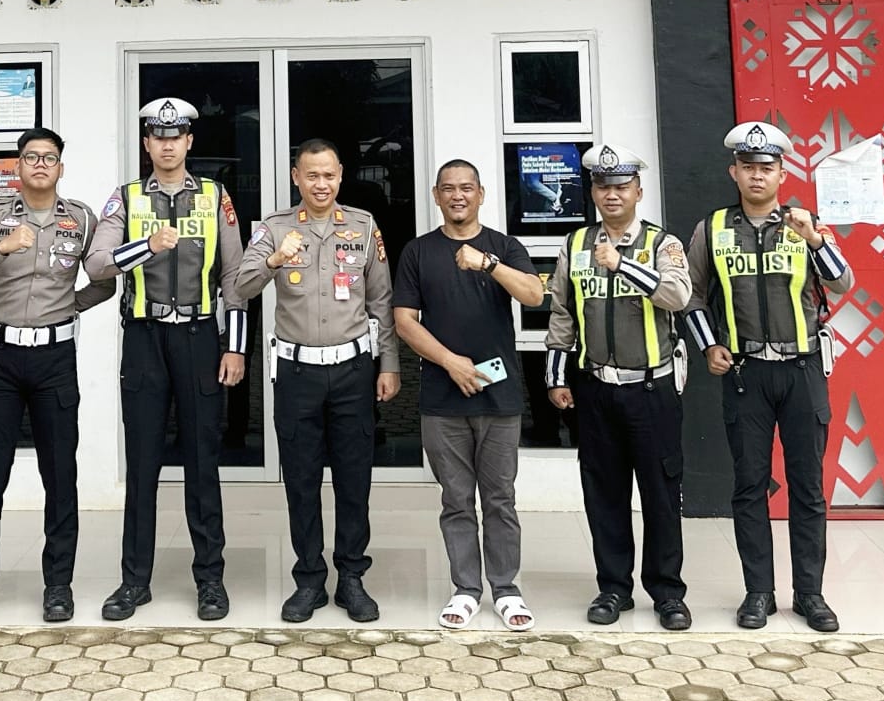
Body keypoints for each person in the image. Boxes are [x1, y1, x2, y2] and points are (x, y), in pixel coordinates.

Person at [684, 122, 854, 633]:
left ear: (782, 173)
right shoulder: (712, 229)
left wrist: (813, 239)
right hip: (745, 373)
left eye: (766, 167)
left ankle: (810, 594)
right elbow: (692, 295)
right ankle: (758, 592)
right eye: (748, 167)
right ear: (733, 172)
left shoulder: (806, 223)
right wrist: (709, 345)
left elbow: (842, 282)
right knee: (749, 486)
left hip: (802, 369)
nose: (757, 176)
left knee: (807, 487)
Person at [84, 97, 247, 622]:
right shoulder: (126, 197)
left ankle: (210, 580)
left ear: (189, 142)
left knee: (203, 463)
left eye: (176, 137)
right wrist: (146, 247)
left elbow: (235, 275)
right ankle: (135, 581)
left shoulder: (215, 196)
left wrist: (235, 345)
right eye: (159, 136)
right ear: (147, 143)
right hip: (145, 337)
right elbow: (98, 264)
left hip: (200, 338)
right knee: (143, 463)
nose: (168, 145)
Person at [0, 127, 116, 625]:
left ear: (61, 168)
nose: (40, 164)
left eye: (49, 157)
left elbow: (105, 280)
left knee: (60, 476)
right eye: (31, 157)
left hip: (55, 359)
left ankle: (58, 586)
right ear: (18, 166)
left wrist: (69, 306)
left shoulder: (81, 218)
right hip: (0, 358)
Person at [234, 138, 400, 623]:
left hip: (352, 370)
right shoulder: (273, 229)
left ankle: (351, 577)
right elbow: (241, 287)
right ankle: (309, 578)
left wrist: (389, 364)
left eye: (328, 175)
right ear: (296, 177)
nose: (321, 184)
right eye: (312, 175)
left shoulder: (363, 226)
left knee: (354, 478)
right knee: (302, 479)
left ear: (341, 174)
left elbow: (381, 301)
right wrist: (274, 260)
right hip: (297, 372)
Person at [545, 146, 693, 630]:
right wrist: (556, 376)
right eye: (603, 186)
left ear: (638, 192)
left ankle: (667, 593)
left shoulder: (662, 243)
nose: (612, 194)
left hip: (651, 389)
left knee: (660, 495)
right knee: (604, 493)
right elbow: (562, 311)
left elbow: (678, 295)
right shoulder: (576, 243)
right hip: (595, 389)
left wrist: (622, 264)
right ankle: (613, 588)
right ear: (592, 192)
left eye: (622, 186)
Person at [392, 159, 543, 631]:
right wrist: (450, 362)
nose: (458, 196)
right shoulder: (418, 252)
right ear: (436, 196)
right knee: (456, 499)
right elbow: (404, 321)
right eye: (448, 189)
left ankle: (506, 589)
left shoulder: (504, 246)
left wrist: (489, 264)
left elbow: (534, 295)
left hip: (499, 398)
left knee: (499, 498)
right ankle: (465, 589)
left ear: (481, 194)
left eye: (466, 188)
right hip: (442, 398)